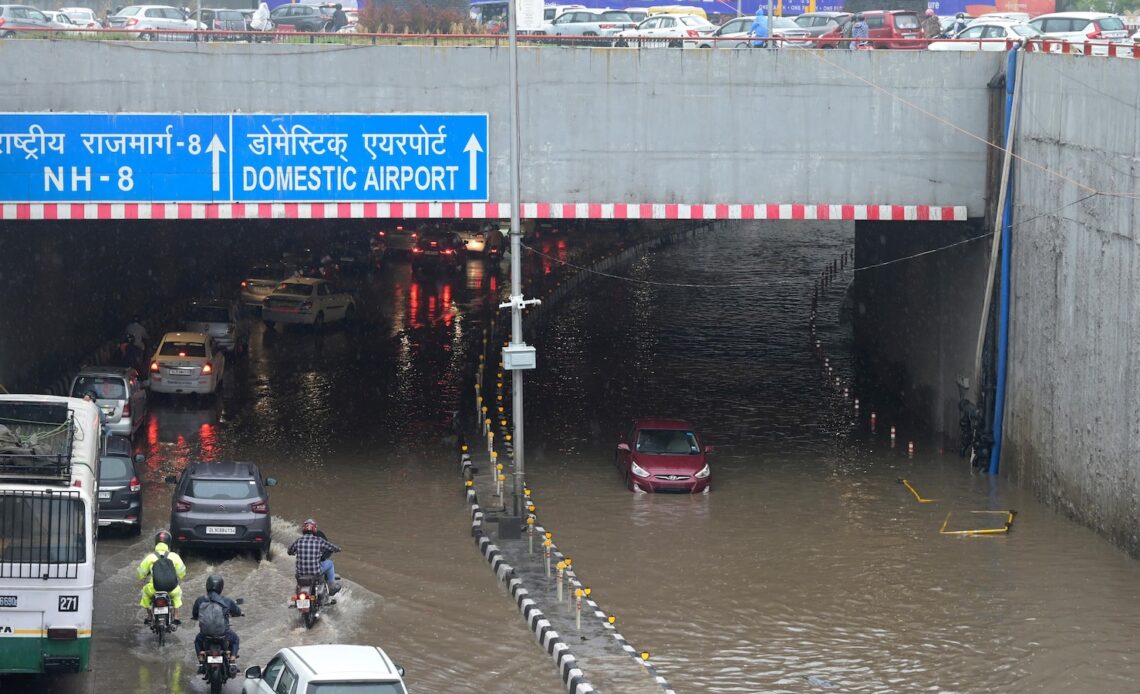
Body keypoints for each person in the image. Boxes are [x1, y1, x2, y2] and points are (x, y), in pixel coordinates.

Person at [191, 574, 243, 674]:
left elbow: (195, 614)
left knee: (197, 641)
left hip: (205, 635)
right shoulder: (227, 600)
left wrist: (196, 617)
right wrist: (240, 613)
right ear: (221, 587)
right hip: (224, 634)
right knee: (235, 639)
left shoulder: (200, 600)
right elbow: (237, 611)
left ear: (207, 586)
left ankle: (201, 663)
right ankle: (232, 661)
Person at [136, 530, 187, 625]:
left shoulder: (150, 557)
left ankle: (149, 616)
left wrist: (142, 576)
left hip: (154, 589)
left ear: (156, 543)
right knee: (177, 593)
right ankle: (176, 616)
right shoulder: (174, 556)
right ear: (169, 543)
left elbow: (140, 573)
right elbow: (182, 573)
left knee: (145, 593)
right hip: (171, 589)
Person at [288, 519, 341, 595]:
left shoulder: (298, 541)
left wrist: (291, 553)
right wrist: (338, 549)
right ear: (314, 529)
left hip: (301, 574)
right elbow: (332, 547)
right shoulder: (319, 540)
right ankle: (331, 587)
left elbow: (289, 550)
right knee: (330, 563)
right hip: (315, 573)